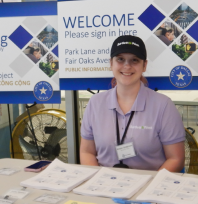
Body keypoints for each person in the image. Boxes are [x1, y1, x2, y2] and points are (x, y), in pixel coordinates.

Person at [79, 35, 186, 171]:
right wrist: (97, 182)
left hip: (148, 187)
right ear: (111, 63)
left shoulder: (163, 106)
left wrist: (149, 187)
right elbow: (86, 152)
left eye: (134, 60)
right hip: (104, 187)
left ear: (144, 65)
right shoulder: (95, 103)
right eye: (120, 59)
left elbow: (176, 159)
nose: (127, 66)